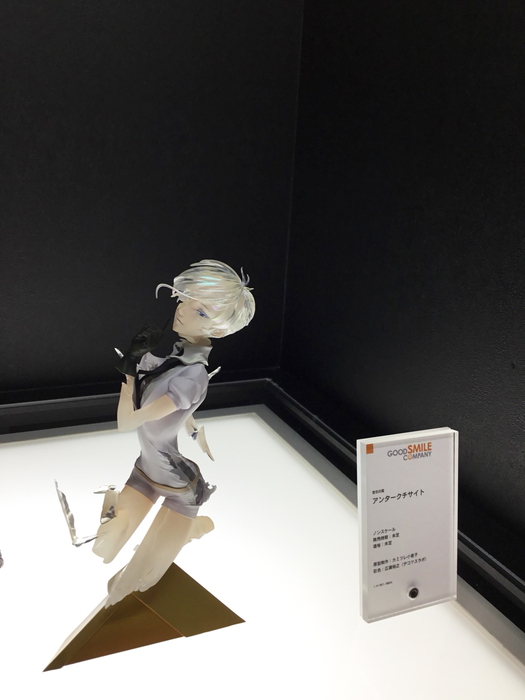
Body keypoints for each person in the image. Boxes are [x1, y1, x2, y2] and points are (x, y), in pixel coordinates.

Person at [93, 259, 255, 606]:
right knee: (104, 546)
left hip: (179, 487)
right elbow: (171, 413)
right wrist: (137, 366)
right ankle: (188, 531)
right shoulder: (171, 363)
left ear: (219, 330)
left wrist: (129, 373)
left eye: (200, 312)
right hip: (145, 471)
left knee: (135, 582)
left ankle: (190, 529)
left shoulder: (192, 376)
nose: (182, 311)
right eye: (184, 301)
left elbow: (128, 422)